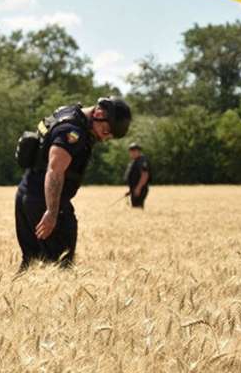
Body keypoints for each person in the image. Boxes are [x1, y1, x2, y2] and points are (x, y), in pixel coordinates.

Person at [15, 97, 131, 271]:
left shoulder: (68, 113)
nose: (105, 138)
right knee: (59, 266)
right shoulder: (71, 132)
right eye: (106, 131)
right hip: (43, 202)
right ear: (99, 114)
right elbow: (55, 171)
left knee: (32, 263)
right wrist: (52, 212)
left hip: (27, 194)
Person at [124, 142, 150, 209]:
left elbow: (145, 175)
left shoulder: (141, 161)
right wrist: (131, 190)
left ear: (138, 151)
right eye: (131, 151)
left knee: (137, 208)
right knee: (135, 208)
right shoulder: (135, 161)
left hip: (140, 189)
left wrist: (138, 188)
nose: (132, 153)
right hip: (135, 189)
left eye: (134, 151)